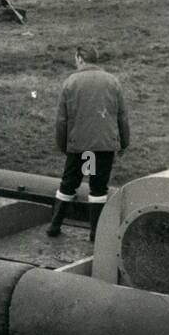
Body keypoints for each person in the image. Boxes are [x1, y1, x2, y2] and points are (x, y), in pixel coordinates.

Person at [46, 44, 130, 242]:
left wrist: (62, 145)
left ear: (80, 59)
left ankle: (54, 225)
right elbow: (122, 116)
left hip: (80, 147)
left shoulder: (71, 82)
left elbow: (61, 120)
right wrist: (124, 142)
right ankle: (95, 232)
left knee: (68, 185)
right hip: (103, 146)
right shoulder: (112, 81)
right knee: (98, 188)